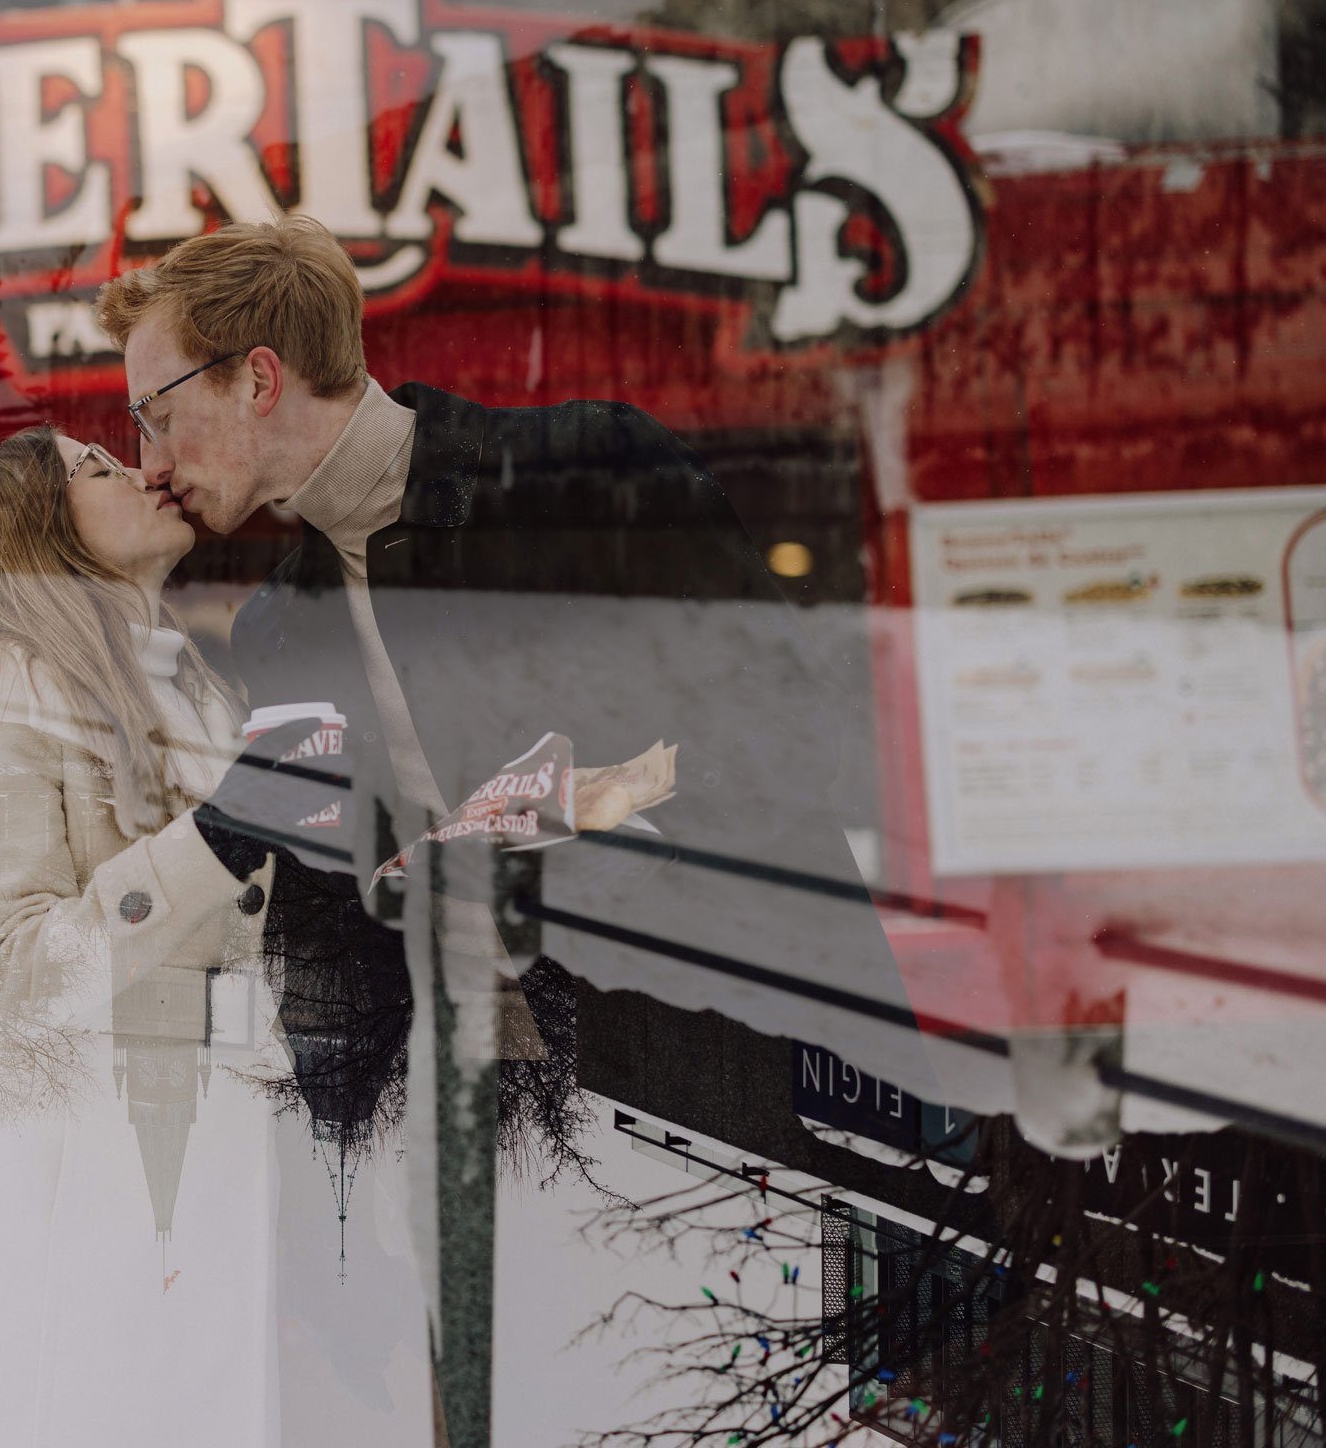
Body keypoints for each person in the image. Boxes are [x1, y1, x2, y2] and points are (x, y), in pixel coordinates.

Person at [94, 210, 924, 1152]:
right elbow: (361, 931)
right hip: (547, 1153)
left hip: (799, 1097)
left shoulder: (582, 473)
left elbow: (795, 737)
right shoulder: (279, 630)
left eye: (154, 414)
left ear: (257, 378)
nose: (150, 461)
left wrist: (567, 820)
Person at [0, 427, 434, 1448]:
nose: (135, 469)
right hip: (89, 1141)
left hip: (205, 1122)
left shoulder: (189, 686)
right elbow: (18, 975)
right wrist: (223, 834)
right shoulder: (9, 681)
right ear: (36, 529)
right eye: (92, 468)